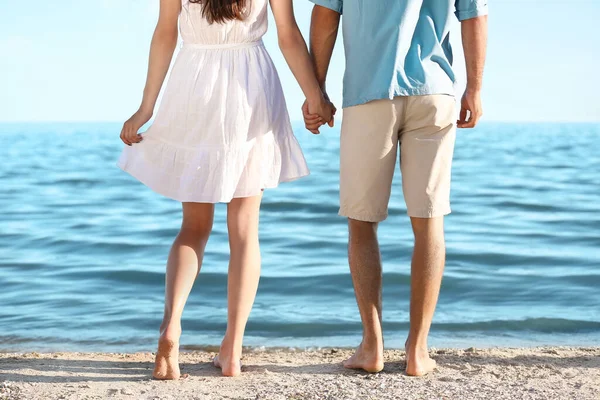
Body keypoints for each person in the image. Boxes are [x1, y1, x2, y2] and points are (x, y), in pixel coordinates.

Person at [118, 0, 334, 379]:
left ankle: (171, 327)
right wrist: (314, 94)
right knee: (245, 230)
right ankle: (232, 351)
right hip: (250, 88)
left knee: (194, 226)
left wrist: (145, 107)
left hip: (193, 85)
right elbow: (288, 35)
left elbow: (165, 31)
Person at [303, 0, 488, 376]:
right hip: (435, 92)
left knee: (361, 222)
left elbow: (325, 16)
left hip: (369, 92)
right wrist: (475, 89)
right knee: (430, 222)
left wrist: (316, 90)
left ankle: (372, 346)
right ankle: (418, 351)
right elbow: (475, 15)